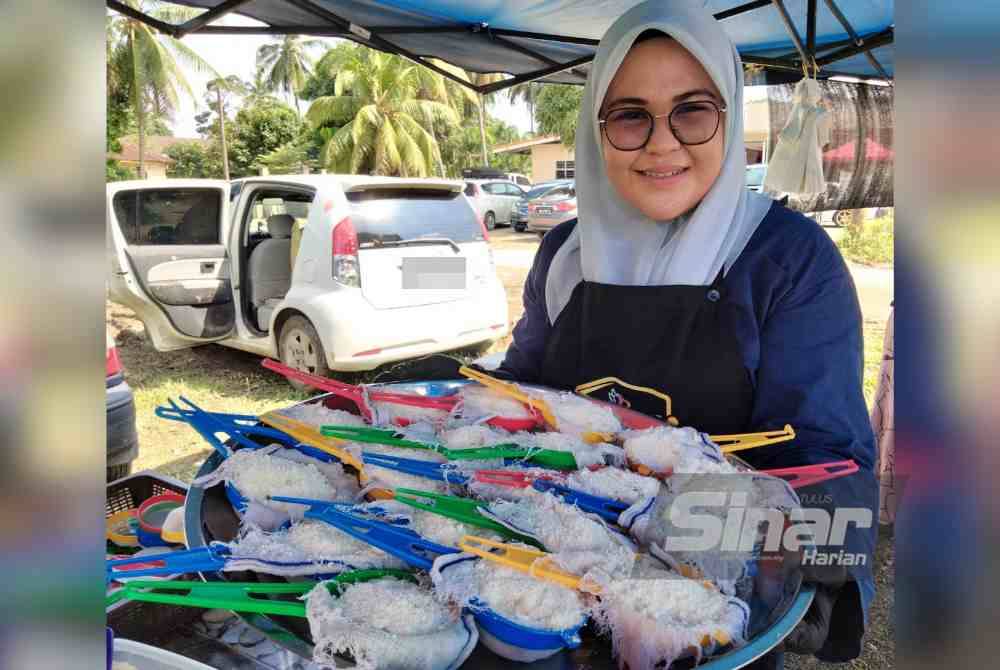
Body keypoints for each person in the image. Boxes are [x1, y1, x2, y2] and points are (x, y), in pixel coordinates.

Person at [493, 1, 877, 667]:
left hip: (712, 620)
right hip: (550, 605)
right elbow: (522, 394)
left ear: (728, 118)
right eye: (630, 115)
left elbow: (832, 472)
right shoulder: (563, 255)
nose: (662, 142)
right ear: (597, 129)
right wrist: (470, 405)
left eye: (693, 111)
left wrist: (661, 517)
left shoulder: (785, 261)